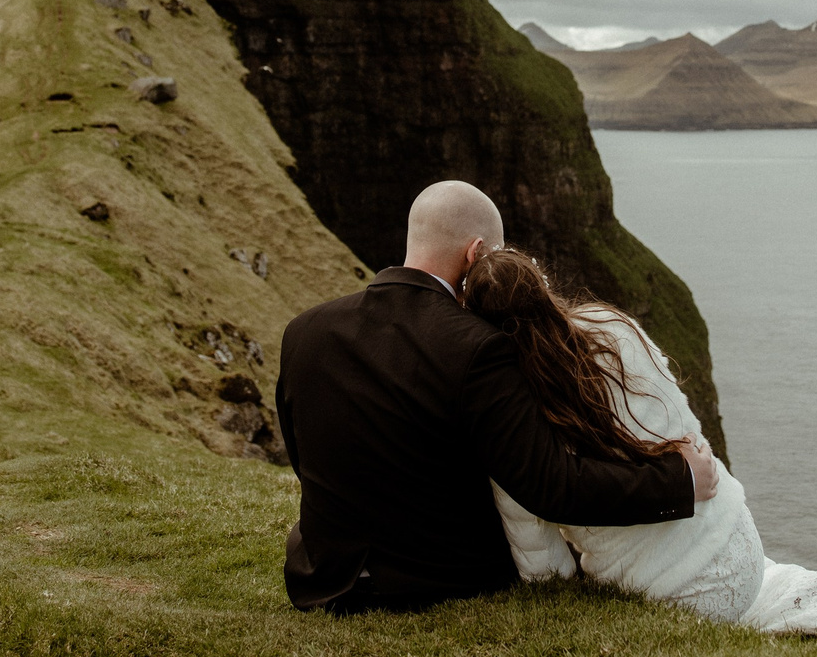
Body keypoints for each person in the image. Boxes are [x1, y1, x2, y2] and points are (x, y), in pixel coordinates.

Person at [465, 247, 817, 639]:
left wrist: (563, 584)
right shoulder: (612, 327)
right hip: (737, 544)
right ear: (542, 284)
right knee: (781, 583)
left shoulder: (511, 420)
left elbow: (539, 553)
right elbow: (684, 431)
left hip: (674, 595)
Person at [275, 179, 720, 612]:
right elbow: (551, 485)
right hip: (436, 582)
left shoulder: (304, 331)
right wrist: (680, 481)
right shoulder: (478, 348)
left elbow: (304, 457)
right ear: (477, 252)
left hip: (324, 577)